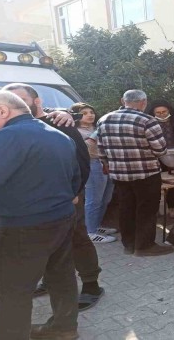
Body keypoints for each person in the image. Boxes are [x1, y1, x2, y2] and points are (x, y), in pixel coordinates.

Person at [0, 90, 80, 340]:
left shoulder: (9, 136)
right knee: (61, 276)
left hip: (22, 228)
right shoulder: (55, 133)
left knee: (10, 290)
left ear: (3, 111)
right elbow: (74, 178)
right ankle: (64, 327)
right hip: (62, 219)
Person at [2, 83, 105, 311]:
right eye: (9, 100)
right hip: (34, 199)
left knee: (77, 238)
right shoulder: (13, 126)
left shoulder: (60, 123)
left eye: (20, 99)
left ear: (36, 101)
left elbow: (81, 161)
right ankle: (49, 281)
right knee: (45, 242)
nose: (14, 105)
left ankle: (91, 285)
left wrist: (72, 193)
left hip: (67, 197)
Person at [97, 90, 173, 256]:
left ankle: (129, 245)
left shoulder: (104, 119)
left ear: (123, 101)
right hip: (146, 173)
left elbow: (100, 151)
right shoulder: (147, 120)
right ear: (144, 102)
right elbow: (160, 150)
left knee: (126, 208)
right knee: (146, 209)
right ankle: (144, 246)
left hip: (119, 174)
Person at [71, 103, 117, 243]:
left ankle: (96, 226)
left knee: (106, 197)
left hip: (106, 163)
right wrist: (96, 134)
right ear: (77, 116)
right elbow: (86, 148)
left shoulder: (97, 128)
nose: (90, 115)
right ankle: (90, 232)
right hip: (92, 164)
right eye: (84, 113)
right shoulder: (75, 131)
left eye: (91, 111)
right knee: (94, 199)